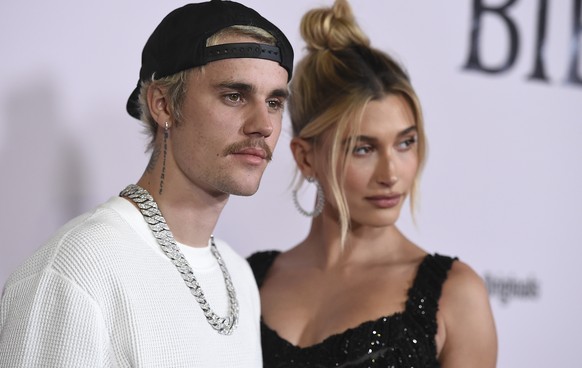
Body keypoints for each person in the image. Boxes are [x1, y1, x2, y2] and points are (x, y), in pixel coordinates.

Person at [0, 1, 293, 367]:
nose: (263, 124)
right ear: (164, 105)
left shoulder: (238, 275)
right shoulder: (77, 269)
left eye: (275, 102)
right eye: (234, 96)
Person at [247, 0, 497, 367]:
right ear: (305, 157)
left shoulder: (454, 295)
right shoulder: (249, 280)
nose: (391, 173)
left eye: (405, 143)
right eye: (363, 149)